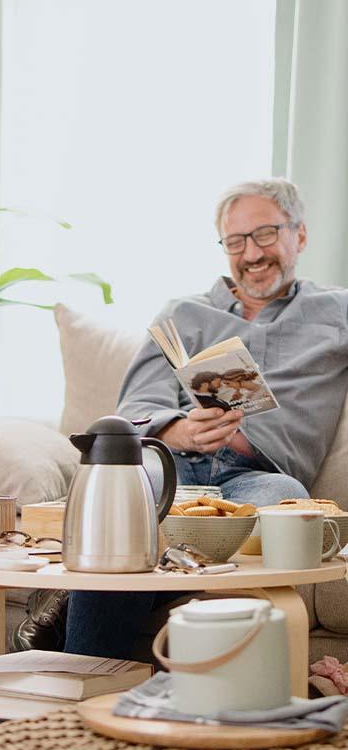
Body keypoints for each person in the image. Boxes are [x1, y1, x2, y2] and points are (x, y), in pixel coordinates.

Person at [65, 177, 348, 658]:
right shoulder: (184, 313)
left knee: (286, 505)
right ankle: (80, 677)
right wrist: (179, 429)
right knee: (126, 495)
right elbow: (135, 408)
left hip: (262, 476)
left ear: (298, 236)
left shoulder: (337, 312)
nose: (252, 254)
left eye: (264, 234)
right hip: (173, 464)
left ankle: (72, 616)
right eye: (235, 241)